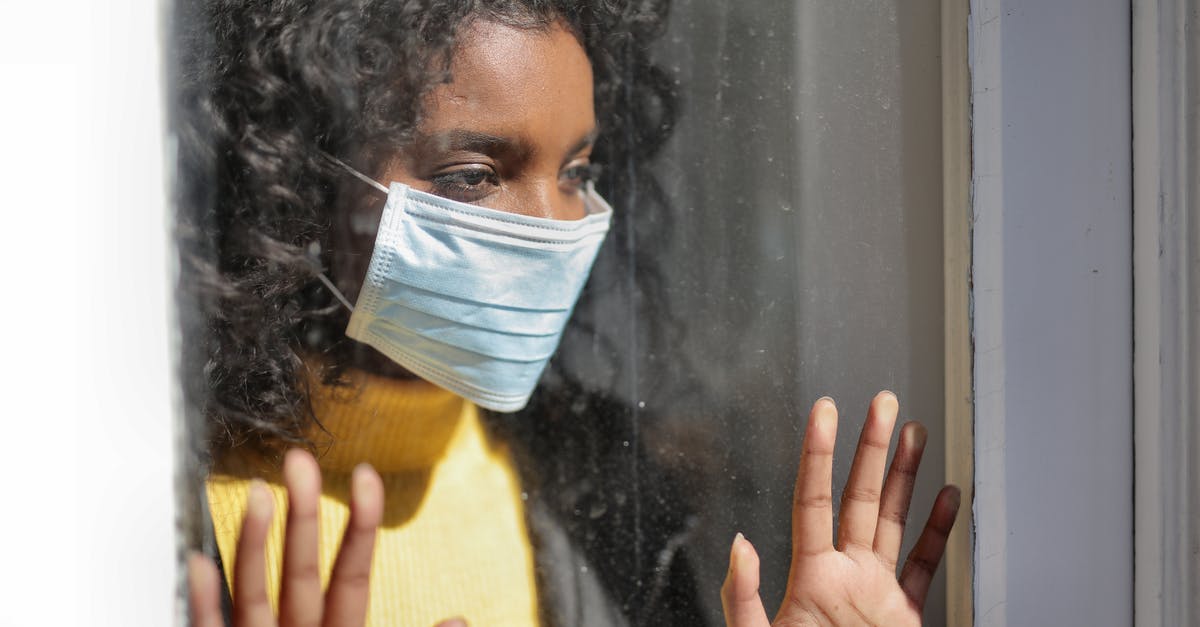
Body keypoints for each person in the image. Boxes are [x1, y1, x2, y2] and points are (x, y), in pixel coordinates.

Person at [175, 1, 960, 625]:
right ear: (298, 182)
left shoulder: (605, 488)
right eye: (476, 174)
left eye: (577, 168)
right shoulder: (162, 511)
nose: (557, 225)